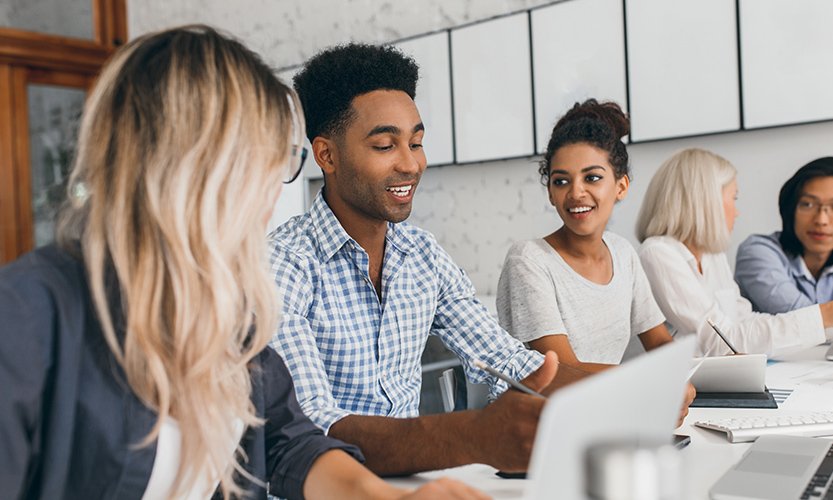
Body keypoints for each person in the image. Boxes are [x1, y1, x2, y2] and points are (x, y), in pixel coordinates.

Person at [0, 26, 485, 500]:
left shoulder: (226, 314)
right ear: (184, 165)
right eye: (262, 163)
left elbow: (291, 444)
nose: (270, 191)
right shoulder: (26, 315)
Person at [268, 43, 679, 477]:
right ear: (326, 155)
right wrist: (473, 436)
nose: (411, 164)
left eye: (417, 142)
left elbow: (513, 363)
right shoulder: (284, 265)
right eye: (386, 146)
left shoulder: (423, 256)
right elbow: (311, 428)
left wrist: (637, 397)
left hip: (411, 487)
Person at [635, 148, 833, 358]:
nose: (736, 212)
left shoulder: (713, 255)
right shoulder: (658, 253)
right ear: (705, 202)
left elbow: (742, 321)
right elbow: (721, 341)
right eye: (733, 198)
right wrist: (827, 316)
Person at [496, 99, 677, 370]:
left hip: (609, 404)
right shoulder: (529, 260)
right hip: (547, 411)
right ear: (550, 194)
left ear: (621, 186)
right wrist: (648, 380)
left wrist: (708, 371)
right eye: (561, 181)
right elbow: (562, 372)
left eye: (591, 177)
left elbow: (660, 342)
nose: (575, 192)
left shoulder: (623, 253)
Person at [735, 157, 833, 334]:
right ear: (790, 209)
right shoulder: (757, 252)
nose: (821, 220)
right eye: (808, 204)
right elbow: (798, 317)